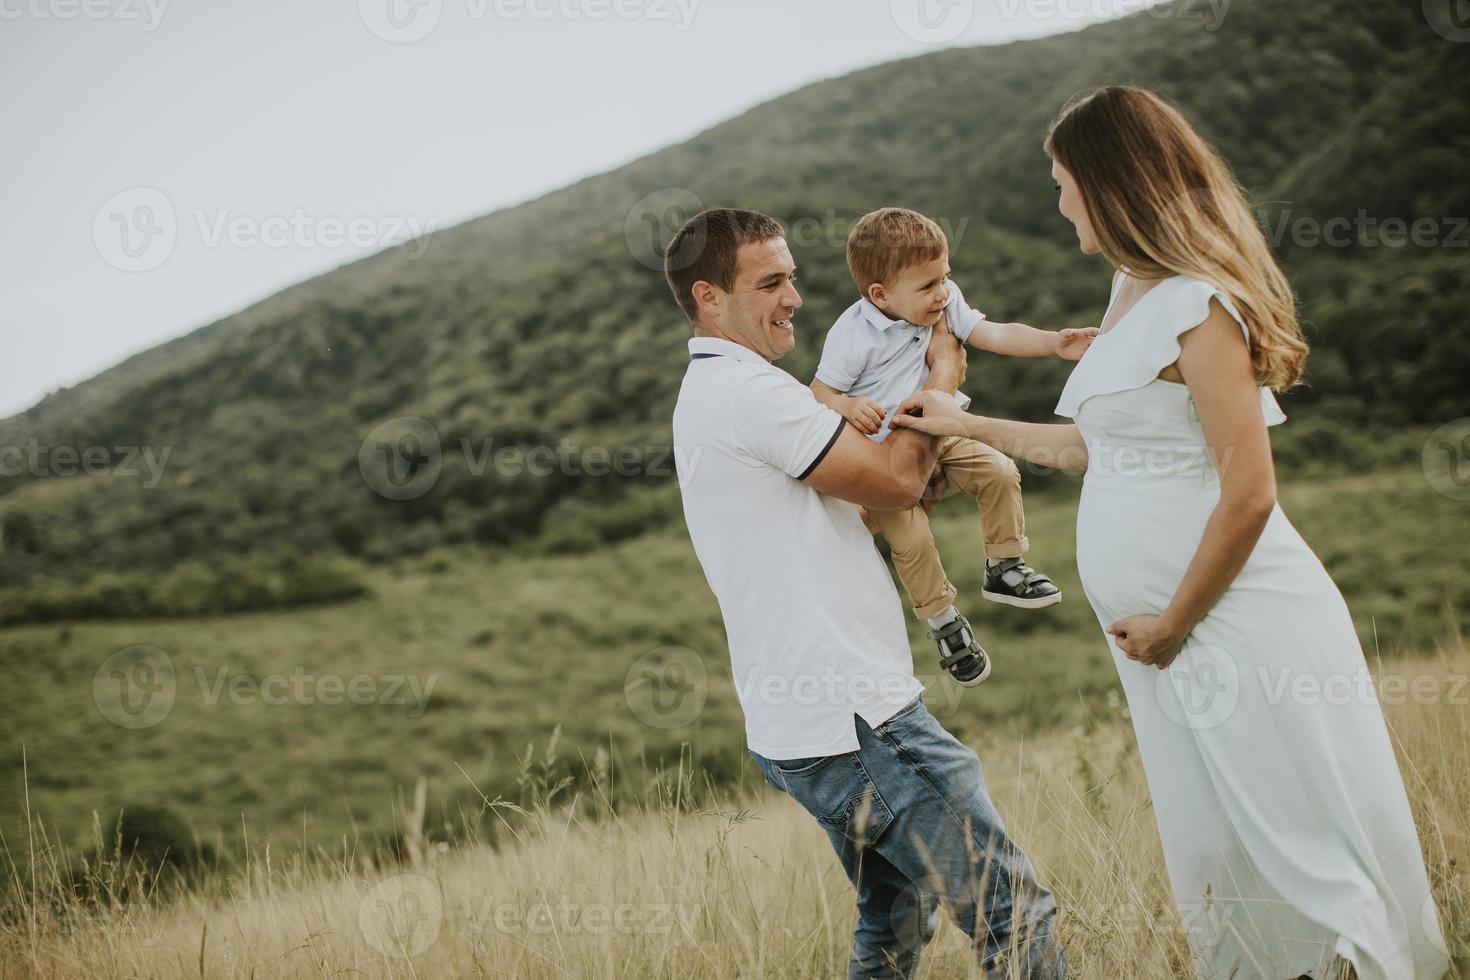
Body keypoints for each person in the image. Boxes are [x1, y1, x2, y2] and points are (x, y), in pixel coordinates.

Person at [892, 86, 1449, 980]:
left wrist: (1176, 620)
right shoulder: (1130, 292)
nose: (1060, 200)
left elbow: (1249, 492)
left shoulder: (1199, 304)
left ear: (1110, 184)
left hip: (1233, 620)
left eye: (1066, 182)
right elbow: (1097, 448)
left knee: (1298, 845)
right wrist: (958, 424)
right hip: (1166, 644)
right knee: (1220, 851)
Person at [667, 208, 1069, 978]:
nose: (795, 297)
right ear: (709, 298)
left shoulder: (720, 392)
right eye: (771, 282)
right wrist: (941, 382)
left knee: (893, 925)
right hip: (860, 719)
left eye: (793, 276)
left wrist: (919, 474)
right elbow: (890, 477)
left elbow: (863, 499)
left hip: (802, 724)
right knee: (1011, 913)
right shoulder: (754, 394)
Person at [811, 206, 1096, 687]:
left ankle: (1004, 564)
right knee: (911, 539)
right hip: (884, 456)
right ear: (880, 294)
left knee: (1000, 471)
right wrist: (848, 405)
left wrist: (1053, 342)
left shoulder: (945, 303)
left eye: (946, 277)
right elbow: (820, 391)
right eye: (927, 286)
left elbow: (994, 332)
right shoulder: (852, 334)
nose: (942, 292)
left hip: (940, 432)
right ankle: (944, 622)